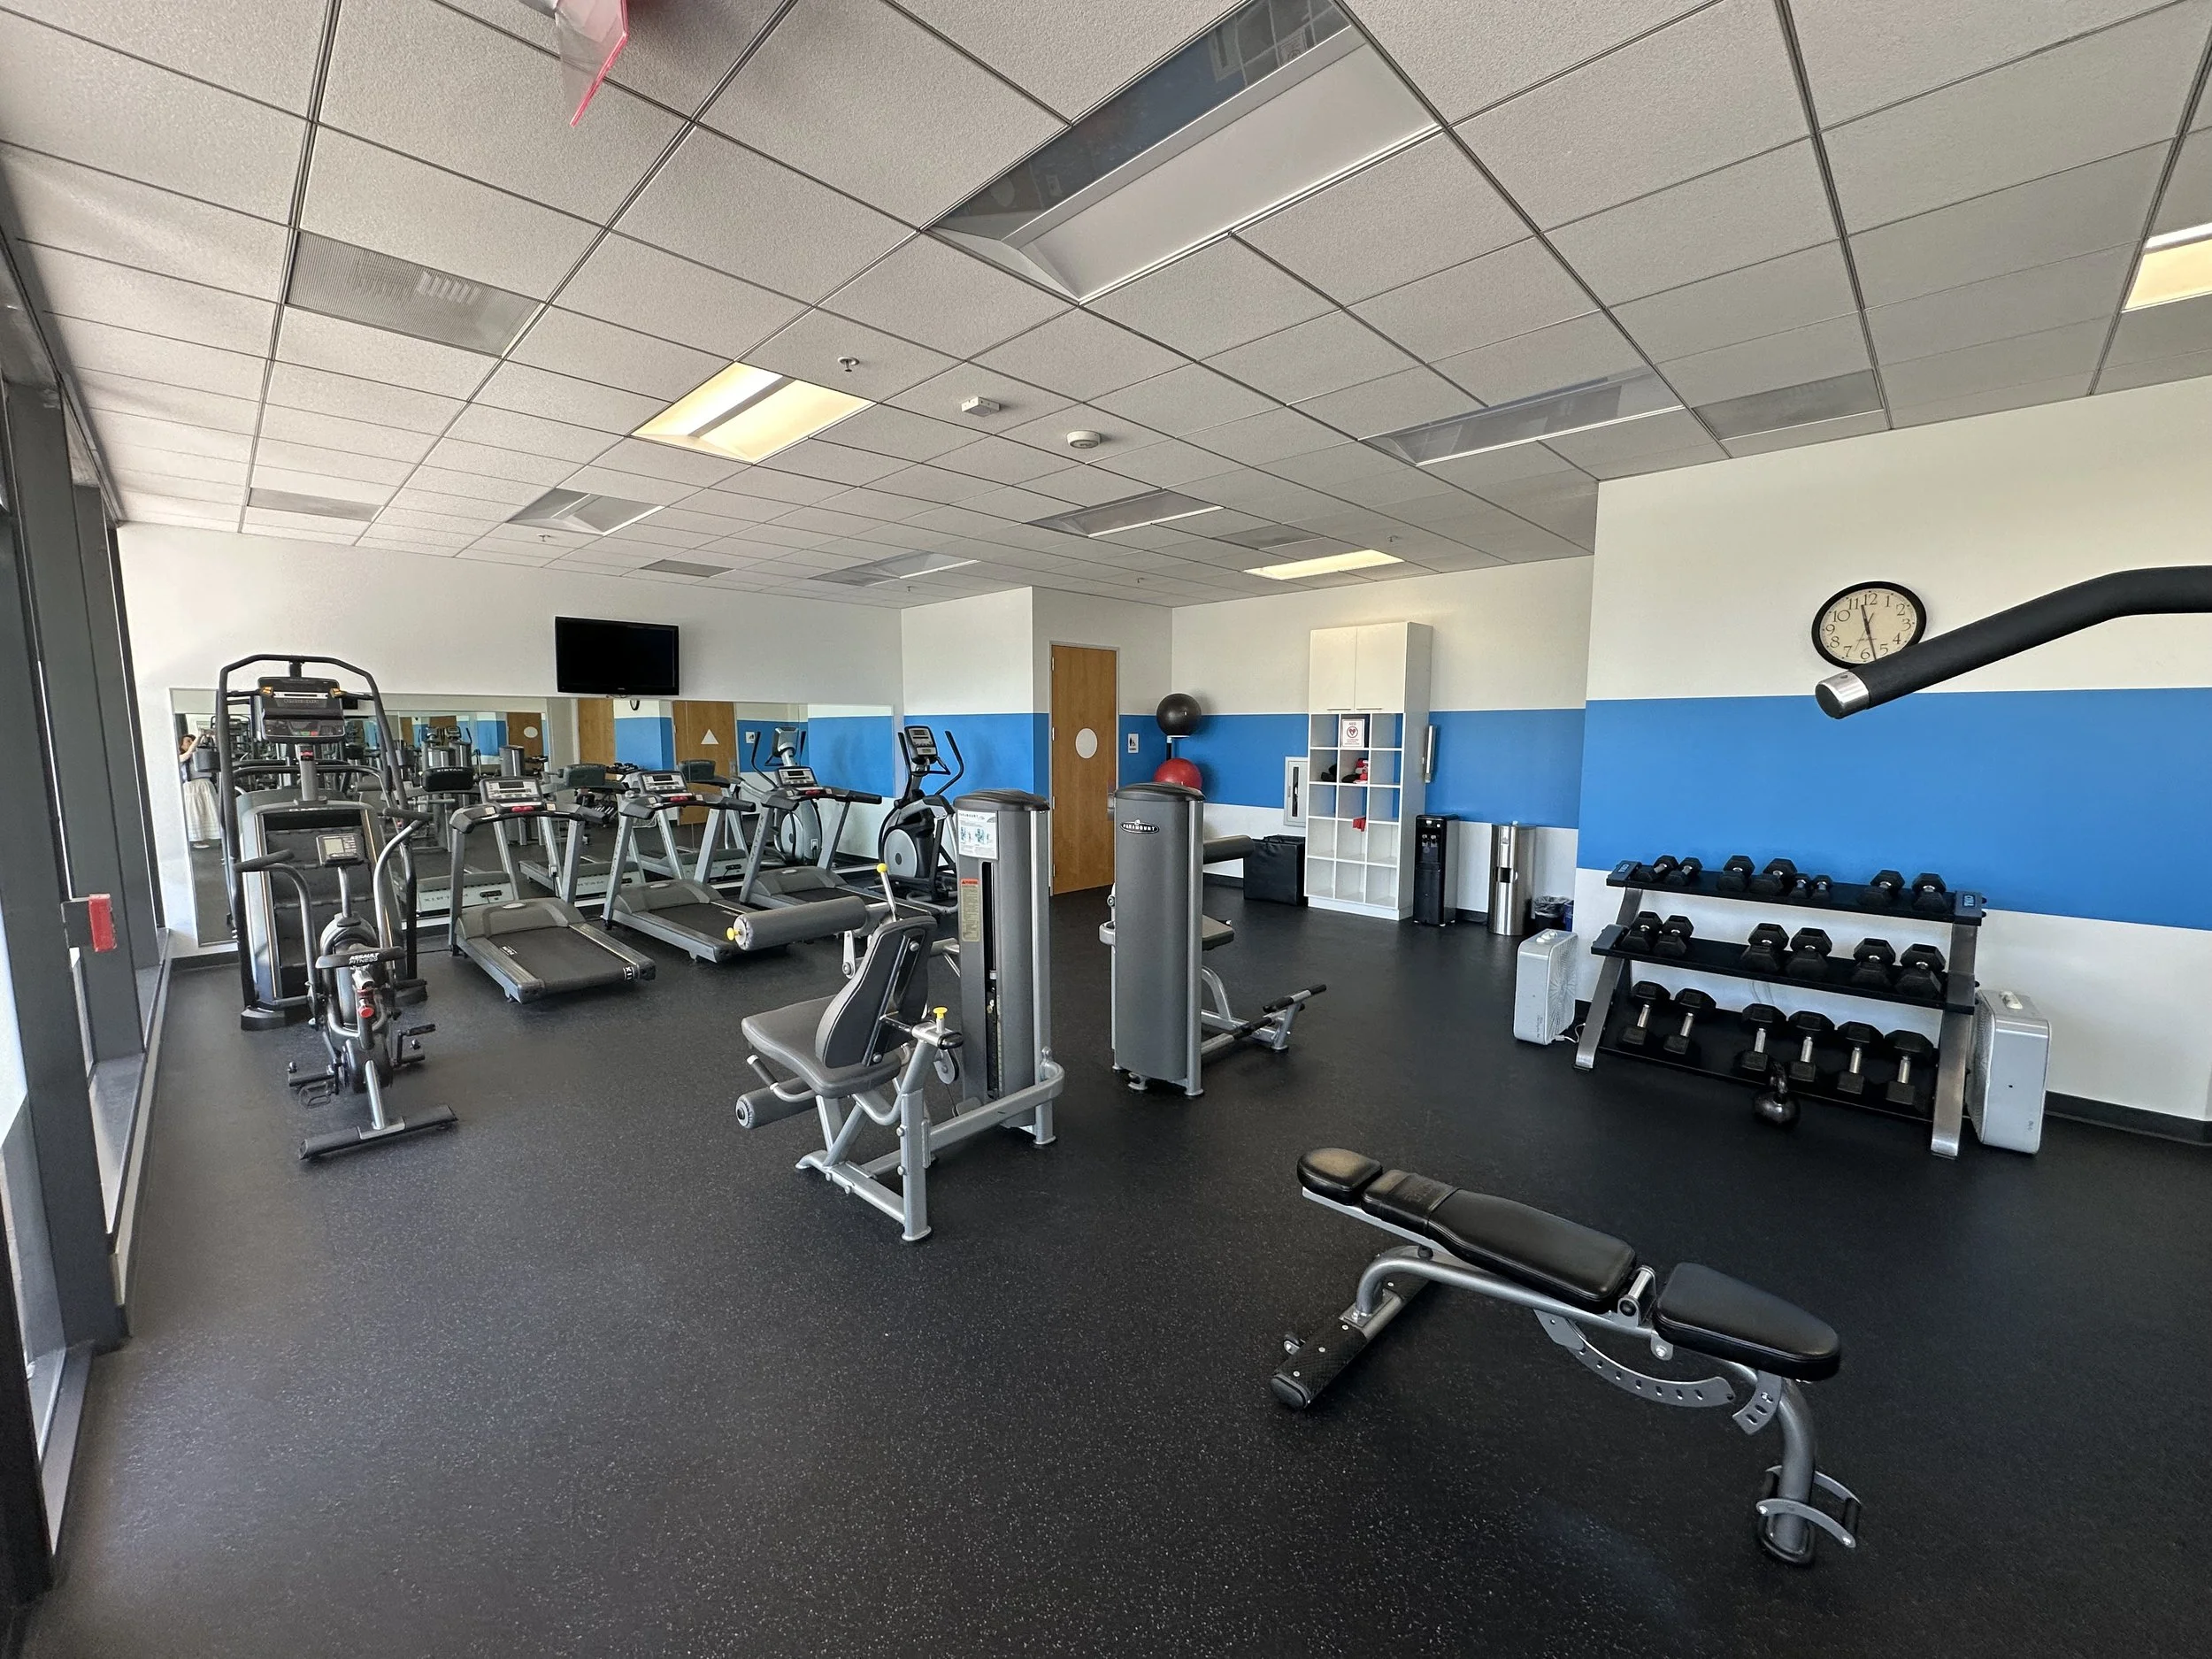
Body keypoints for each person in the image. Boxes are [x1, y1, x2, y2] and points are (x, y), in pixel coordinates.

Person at [180, 730, 222, 845]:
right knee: (195, 813)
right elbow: (188, 754)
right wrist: (199, 736)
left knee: (212, 810)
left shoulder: (201, 755)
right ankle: (197, 841)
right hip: (192, 787)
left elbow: (219, 751)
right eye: (188, 741)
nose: (191, 742)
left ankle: (219, 838)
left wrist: (213, 736)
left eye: (192, 740)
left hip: (206, 785)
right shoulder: (180, 757)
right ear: (181, 745)